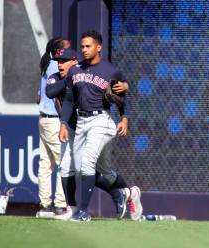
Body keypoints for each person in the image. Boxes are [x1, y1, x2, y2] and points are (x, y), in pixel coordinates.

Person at [46, 47, 143, 221]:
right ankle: (74, 209)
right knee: (69, 168)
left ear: (74, 61)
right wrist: (72, 76)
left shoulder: (85, 75)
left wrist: (124, 116)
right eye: (58, 62)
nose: (60, 65)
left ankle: (125, 193)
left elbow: (117, 92)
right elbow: (50, 92)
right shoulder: (59, 78)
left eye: (64, 61)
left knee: (101, 170)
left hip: (94, 127)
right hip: (72, 130)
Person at [36, 37, 70, 219]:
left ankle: (44, 205)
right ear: (59, 52)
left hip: (43, 119)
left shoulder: (45, 66)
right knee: (63, 162)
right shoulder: (56, 67)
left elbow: (38, 97)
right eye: (67, 49)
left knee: (45, 164)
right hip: (54, 121)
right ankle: (60, 204)